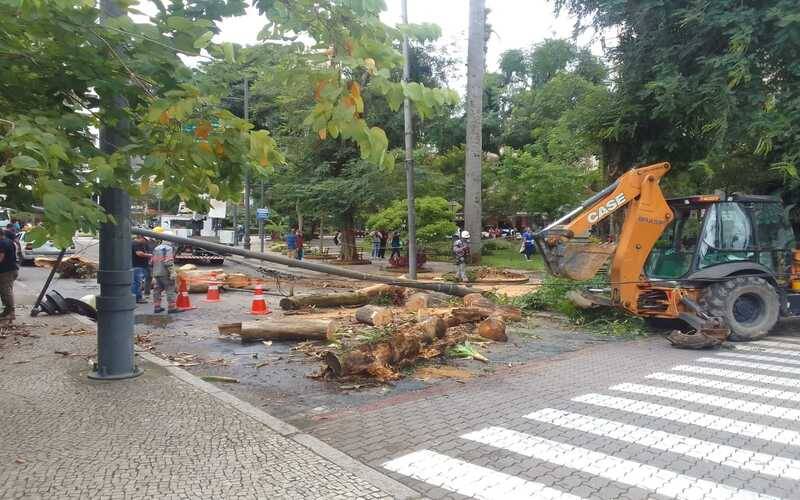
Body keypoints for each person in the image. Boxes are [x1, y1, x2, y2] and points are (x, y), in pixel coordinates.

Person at [151, 229, 179, 314]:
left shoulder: (156, 248)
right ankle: (172, 308)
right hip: (165, 273)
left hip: (156, 273)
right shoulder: (168, 248)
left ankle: (157, 307)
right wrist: (172, 272)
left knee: (157, 291)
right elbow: (168, 261)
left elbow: (152, 261)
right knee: (170, 289)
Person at [0, 230, 19, 321]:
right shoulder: (9, 241)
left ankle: (11, 312)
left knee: (6, 292)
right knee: (4, 292)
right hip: (11, 269)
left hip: (6, 271)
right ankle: (7, 311)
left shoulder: (2, 243)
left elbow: (1, 257)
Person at [131, 234, 152, 304]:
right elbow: (139, 253)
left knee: (137, 282)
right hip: (137, 266)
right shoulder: (135, 243)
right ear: (141, 238)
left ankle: (136, 297)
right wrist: (150, 255)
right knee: (137, 282)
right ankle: (137, 298)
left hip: (140, 266)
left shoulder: (140, 244)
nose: (146, 242)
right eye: (145, 240)